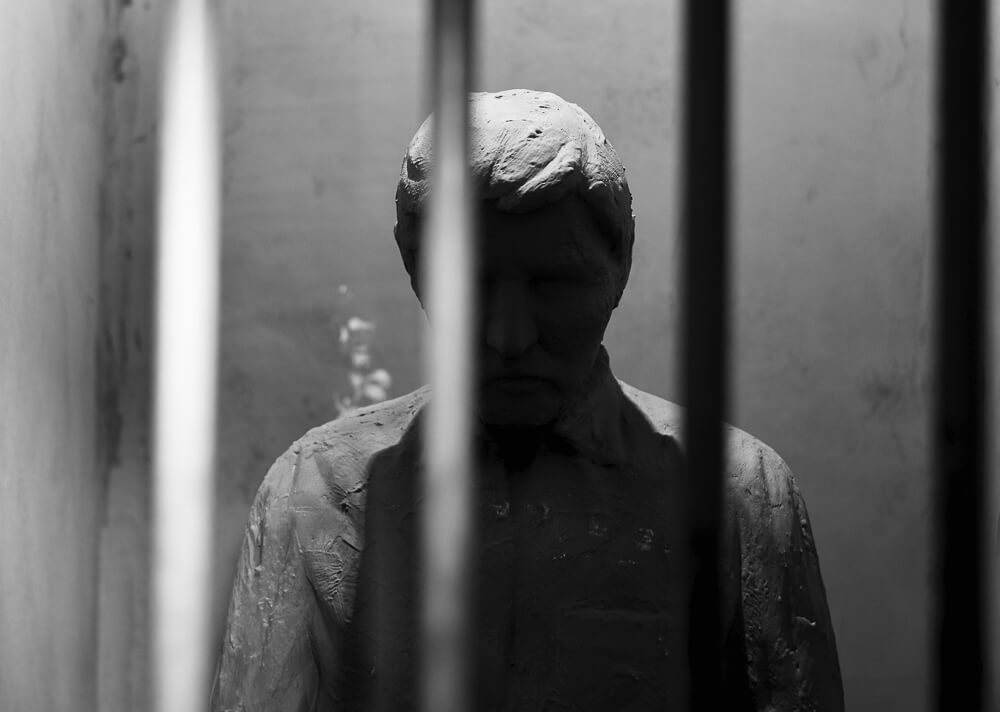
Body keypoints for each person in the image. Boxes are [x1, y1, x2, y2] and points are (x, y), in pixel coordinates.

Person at [211, 89, 843, 711]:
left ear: (618, 268)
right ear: (414, 269)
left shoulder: (740, 493)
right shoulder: (316, 491)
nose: (510, 336)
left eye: (555, 284)